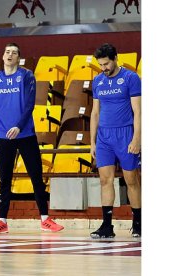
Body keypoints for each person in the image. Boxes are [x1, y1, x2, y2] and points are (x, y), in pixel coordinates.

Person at [0, 43, 64, 234]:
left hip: (26, 135)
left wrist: (19, 125)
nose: (10, 55)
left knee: (36, 177)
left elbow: (29, 104)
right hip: (4, 137)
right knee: (4, 180)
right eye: (7, 52)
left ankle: (45, 219)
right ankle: (2, 221)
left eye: (14, 53)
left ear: (19, 58)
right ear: (2, 56)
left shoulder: (26, 76)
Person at [90, 43, 141, 238]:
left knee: (131, 180)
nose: (104, 68)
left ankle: (138, 224)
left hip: (126, 135)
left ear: (115, 59)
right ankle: (106, 226)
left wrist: (137, 138)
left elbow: (138, 111)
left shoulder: (131, 78)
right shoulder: (98, 81)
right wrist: (92, 142)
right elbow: (95, 113)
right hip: (104, 137)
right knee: (105, 180)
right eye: (101, 65)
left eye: (106, 64)